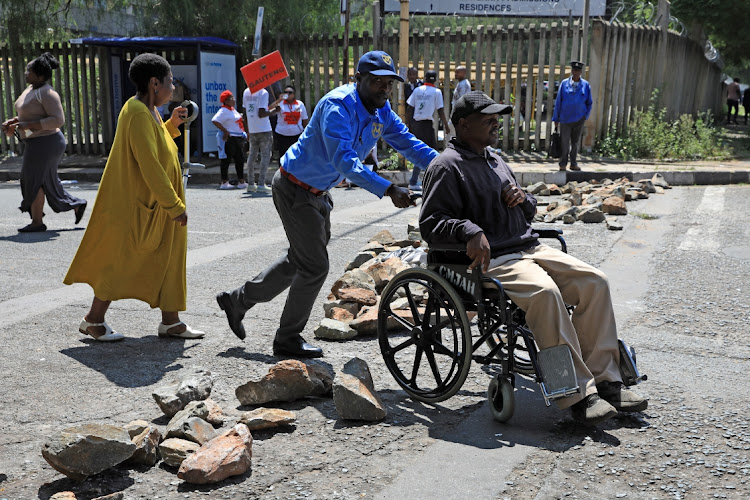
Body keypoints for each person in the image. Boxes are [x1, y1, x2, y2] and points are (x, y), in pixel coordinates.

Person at [419, 91, 647, 425]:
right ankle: (575, 394)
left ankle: (608, 380)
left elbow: (528, 211)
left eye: (498, 118)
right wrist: (468, 230)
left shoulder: (494, 159)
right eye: (488, 120)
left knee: (595, 282)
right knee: (546, 295)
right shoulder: (446, 166)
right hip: (493, 260)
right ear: (464, 125)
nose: (497, 124)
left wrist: (522, 197)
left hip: (529, 248)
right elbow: (431, 223)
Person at [216, 50, 438, 358]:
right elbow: (344, 161)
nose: (384, 90)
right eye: (377, 83)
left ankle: (237, 300)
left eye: (389, 84)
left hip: (319, 193)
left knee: (301, 260)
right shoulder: (338, 106)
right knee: (315, 265)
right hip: (295, 188)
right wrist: (388, 189)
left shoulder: (381, 109)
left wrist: (445, 165)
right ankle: (287, 339)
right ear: (358, 79)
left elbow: (407, 142)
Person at [63, 53, 204, 342]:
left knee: (170, 258)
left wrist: (172, 125)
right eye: (170, 82)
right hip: (145, 205)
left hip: (154, 205)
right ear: (155, 83)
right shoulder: (138, 113)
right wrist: (174, 205)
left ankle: (171, 321)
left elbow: (155, 143)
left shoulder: (145, 110)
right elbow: (149, 164)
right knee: (122, 260)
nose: (173, 87)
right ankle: (93, 320)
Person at [1, 52, 87, 233]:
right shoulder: (32, 90)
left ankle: (38, 222)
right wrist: (14, 122)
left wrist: (26, 125)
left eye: (29, 71)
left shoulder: (48, 93)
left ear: (40, 75)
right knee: (42, 181)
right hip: (37, 142)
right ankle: (73, 206)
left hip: (47, 142)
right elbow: (30, 115)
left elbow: (58, 120)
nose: (26, 73)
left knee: (33, 179)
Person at [406, 69, 450, 190]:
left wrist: (408, 126)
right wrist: (446, 126)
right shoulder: (436, 92)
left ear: (425, 78)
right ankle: (421, 181)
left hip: (416, 124)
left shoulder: (417, 90)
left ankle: (419, 180)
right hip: (426, 125)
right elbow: (440, 110)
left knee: (422, 152)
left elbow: (409, 109)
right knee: (432, 153)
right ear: (435, 80)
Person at [552, 61, 592, 172]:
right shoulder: (564, 84)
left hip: (579, 119)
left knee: (575, 143)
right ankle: (563, 164)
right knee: (564, 142)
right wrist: (556, 118)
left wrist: (585, 115)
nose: (576, 72)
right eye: (574, 70)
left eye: (578, 71)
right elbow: (559, 101)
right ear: (572, 71)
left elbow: (589, 102)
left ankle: (573, 163)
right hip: (565, 118)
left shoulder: (585, 85)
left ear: (581, 72)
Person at [242, 84, 281, 192]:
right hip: (264, 128)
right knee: (265, 156)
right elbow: (261, 113)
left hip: (252, 128)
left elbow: (245, 113)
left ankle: (250, 183)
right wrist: (274, 111)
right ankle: (261, 184)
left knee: (252, 156)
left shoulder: (246, 92)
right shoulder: (263, 92)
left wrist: (247, 130)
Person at [212, 90, 248, 190]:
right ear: (226, 101)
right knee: (226, 160)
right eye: (232, 98)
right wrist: (225, 131)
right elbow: (215, 120)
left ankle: (241, 181)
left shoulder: (232, 109)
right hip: (230, 138)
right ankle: (224, 182)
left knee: (240, 159)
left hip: (238, 137)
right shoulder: (223, 110)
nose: (234, 100)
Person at [274, 85, 308, 158]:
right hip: (282, 135)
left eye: (290, 92)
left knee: (297, 155)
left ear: (294, 94)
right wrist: (278, 101)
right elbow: (269, 110)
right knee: (283, 156)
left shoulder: (300, 104)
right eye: (285, 92)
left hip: (296, 135)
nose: (288, 94)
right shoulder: (280, 104)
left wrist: (305, 132)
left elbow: (304, 120)